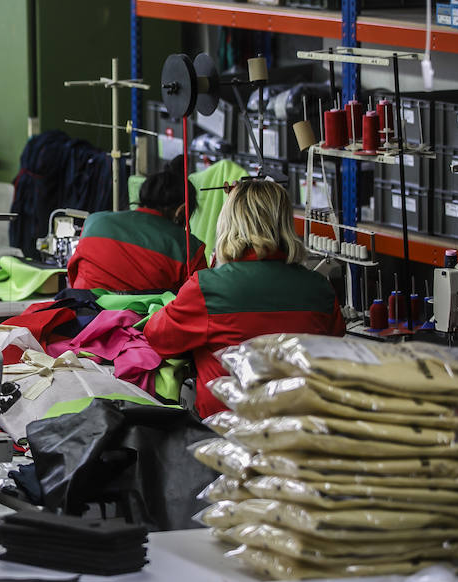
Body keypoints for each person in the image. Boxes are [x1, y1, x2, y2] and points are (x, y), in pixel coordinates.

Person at [143, 179, 344, 418]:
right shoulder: (319, 288)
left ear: (229, 222)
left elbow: (158, 337)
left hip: (228, 431)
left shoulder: (208, 287)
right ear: (285, 223)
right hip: (299, 427)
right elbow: (334, 343)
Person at [67, 156, 207, 293]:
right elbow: (198, 301)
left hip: (83, 311)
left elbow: (73, 274)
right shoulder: (190, 248)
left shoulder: (94, 222)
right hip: (146, 316)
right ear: (181, 211)